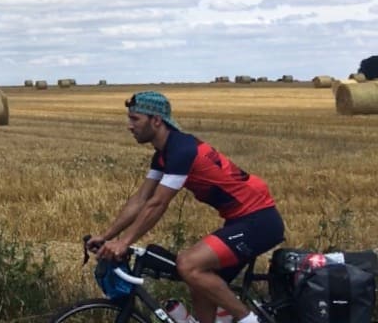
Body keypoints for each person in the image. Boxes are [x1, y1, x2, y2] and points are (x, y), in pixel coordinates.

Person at [87, 91, 284, 323]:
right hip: (240, 220)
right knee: (199, 280)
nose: (129, 126)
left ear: (156, 120)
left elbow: (158, 203)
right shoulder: (163, 155)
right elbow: (140, 199)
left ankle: (250, 321)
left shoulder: (182, 150)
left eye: (135, 119)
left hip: (259, 220)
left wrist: (123, 242)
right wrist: (108, 236)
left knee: (188, 265)